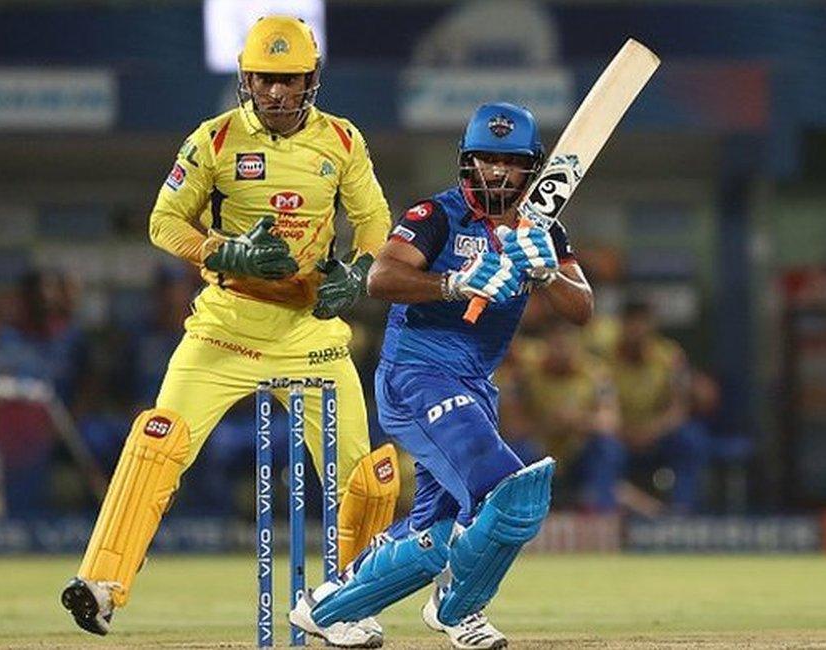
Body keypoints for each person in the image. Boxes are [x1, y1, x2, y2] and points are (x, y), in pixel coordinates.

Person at [61, 16, 399, 642]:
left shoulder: (344, 143)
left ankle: (353, 601)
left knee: (362, 475)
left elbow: (374, 217)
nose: (276, 94)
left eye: (289, 81)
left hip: (311, 335)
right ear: (246, 79)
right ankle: (101, 585)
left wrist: (357, 273)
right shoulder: (213, 141)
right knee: (159, 441)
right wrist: (224, 253)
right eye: (265, 81)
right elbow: (164, 223)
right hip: (223, 331)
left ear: (311, 80)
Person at [289, 102, 594, 649]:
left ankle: (329, 609)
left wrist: (547, 273)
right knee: (510, 490)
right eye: (485, 160)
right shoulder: (436, 216)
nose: (497, 173)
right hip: (416, 376)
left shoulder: (544, 230)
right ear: (466, 163)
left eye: (511, 163)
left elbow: (582, 309)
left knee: (437, 532)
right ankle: (460, 610)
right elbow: (381, 278)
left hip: (474, 387)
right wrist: (455, 284)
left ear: (532, 168)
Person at [500, 317, 622, 511]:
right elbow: (511, 427)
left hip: (577, 452)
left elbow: (611, 422)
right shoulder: (525, 375)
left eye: (567, 344)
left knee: (608, 447)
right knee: (514, 450)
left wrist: (578, 420)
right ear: (546, 344)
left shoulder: (596, 374)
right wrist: (547, 424)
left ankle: (601, 513)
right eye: (556, 344)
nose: (562, 351)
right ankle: (518, 513)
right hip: (539, 451)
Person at [608, 299, 707, 513]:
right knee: (604, 449)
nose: (637, 330)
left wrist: (653, 431)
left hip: (657, 435)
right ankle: (605, 515)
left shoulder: (669, 356)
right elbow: (600, 407)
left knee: (690, 438)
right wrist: (623, 432)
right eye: (631, 323)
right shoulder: (606, 359)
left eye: (642, 323)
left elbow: (679, 407)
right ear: (621, 325)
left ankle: (682, 512)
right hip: (619, 436)